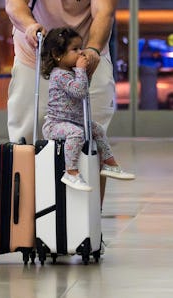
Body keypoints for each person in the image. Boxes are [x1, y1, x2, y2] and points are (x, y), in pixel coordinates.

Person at [3, 0, 123, 201]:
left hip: (86, 55)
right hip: (36, 55)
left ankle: (89, 229)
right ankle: (27, 220)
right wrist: (30, 27)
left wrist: (93, 51)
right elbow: (14, 2)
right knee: (24, 137)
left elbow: (104, 13)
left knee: (92, 136)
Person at [41, 27, 135, 191]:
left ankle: (109, 162)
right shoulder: (60, 75)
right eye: (74, 49)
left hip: (73, 122)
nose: (80, 53)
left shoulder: (70, 73)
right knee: (76, 134)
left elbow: (83, 88)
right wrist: (81, 70)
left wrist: (83, 74)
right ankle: (71, 171)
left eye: (80, 47)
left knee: (97, 129)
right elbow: (79, 91)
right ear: (57, 54)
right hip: (56, 125)